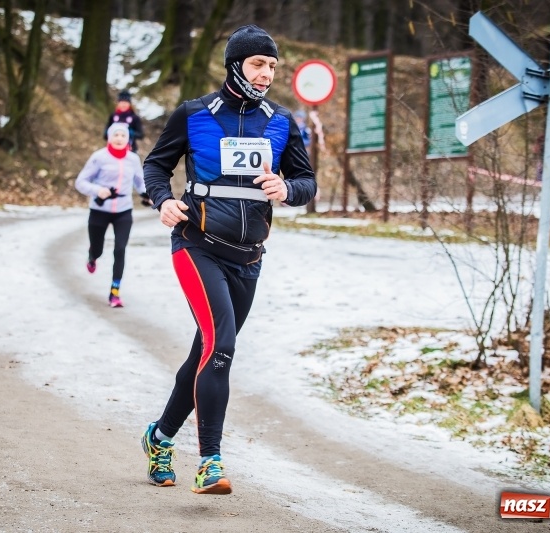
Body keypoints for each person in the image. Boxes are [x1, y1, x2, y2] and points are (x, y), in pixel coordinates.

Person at [140, 24, 316, 494]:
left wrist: (289, 188)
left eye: (273, 66)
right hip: (196, 246)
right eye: (259, 64)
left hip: (249, 258)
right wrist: (162, 200)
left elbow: (307, 181)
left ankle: (159, 437)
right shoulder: (193, 113)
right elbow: (156, 165)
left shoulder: (281, 121)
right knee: (221, 347)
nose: (267, 74)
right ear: (236, 64)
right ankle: (210, 461)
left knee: (206, 350)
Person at [75, 122, 149, 307]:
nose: (119, 139)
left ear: (128, 139)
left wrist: (149, 195)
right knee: (98, 249)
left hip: (124, 210)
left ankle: (114, 292)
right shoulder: (99, 157)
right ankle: (92, 256)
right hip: (100, 211)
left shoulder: (133, 159)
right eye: (115, 135)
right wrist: (98, 190)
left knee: (120, 249)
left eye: (123, 136)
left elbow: (140, 182)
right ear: (109, 137)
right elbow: (81, 182)